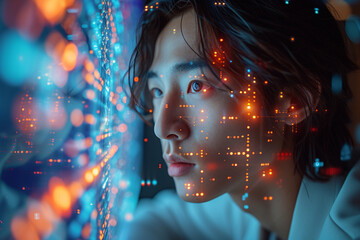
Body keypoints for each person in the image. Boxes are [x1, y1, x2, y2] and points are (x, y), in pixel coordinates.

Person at [124, 0, 360, 239]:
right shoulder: (250, 200)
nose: (162, 129)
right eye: (157, 91)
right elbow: (160, 217)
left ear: (294, 102)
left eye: (197, 85)